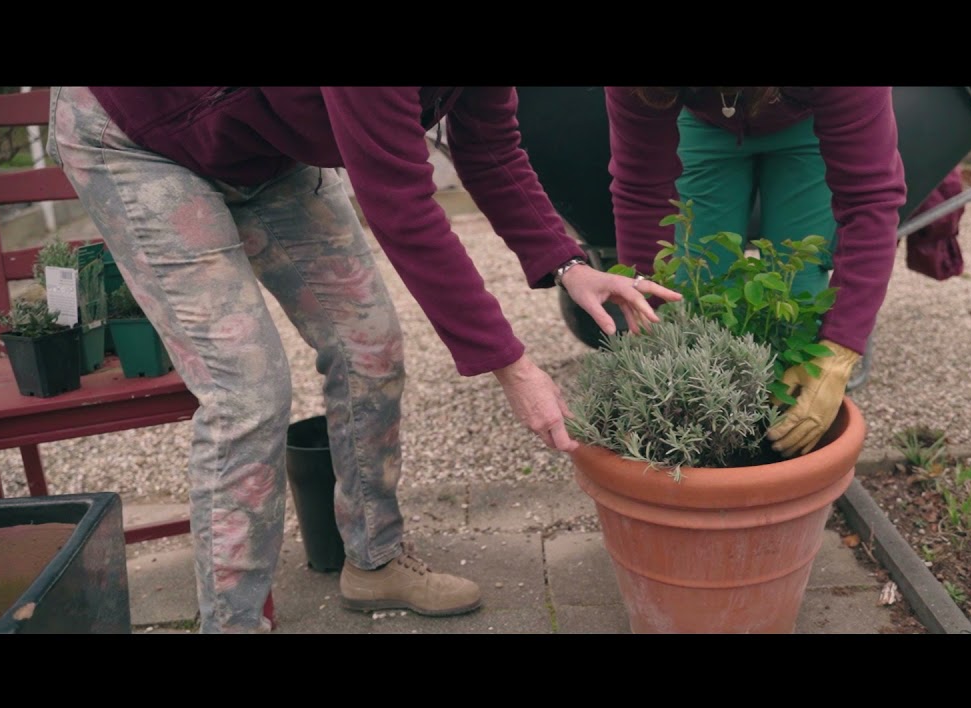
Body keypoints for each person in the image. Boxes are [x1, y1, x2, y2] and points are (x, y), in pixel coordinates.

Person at [47, 86, 681, 633]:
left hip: (263, 147)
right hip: (137, 139)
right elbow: (401, 204)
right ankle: (234, 621)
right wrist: (511, 365)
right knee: (248, 391)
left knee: (369, 346)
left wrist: (568, 264)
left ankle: (373, 559)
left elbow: (490, 148)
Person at [605, 86, 907, 458]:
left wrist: (840, 350)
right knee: (690, 297)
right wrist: (647, 316)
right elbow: (640, 188)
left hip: (806, 123)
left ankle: (784, 454)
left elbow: (870, 198)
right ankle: (707, 454)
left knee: (797, 301)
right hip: (704, 128)